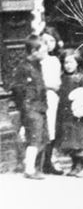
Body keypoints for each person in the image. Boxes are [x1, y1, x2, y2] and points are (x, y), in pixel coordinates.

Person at [11, 36, 49, 179]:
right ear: (34, 51)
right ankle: (30, 169)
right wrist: (26, 108)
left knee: (40, 137)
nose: (45, 53)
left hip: (39, 107)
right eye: (43, 50)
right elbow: (18, 89)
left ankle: (30, 165)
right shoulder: (23, 68)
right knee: (34, 137)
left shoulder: (36, 65)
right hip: (31, 108)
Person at [55, 49, 83, 177]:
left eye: (71, 62)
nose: (68, 65)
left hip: (79, 115)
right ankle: (75, 165)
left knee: (80, 141)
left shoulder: (81, 78)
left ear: (77, 63)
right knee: (70, 142)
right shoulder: (62, 78)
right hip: (66, 115)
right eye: (65, 63)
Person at [39, 28, 65, 175]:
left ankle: (51, 160)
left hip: (56, 97)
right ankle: (44, 162)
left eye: (52, 41)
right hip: (45, 96)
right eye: (45, 41)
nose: (48, 44)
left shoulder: (56, 60)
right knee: (46, 128)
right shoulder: (39, 61)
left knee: (54, 129)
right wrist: (49, 86)